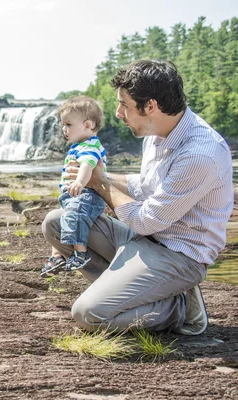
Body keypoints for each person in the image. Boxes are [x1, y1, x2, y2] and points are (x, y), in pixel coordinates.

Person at [42, 60, 233, 335]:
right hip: (145, 240)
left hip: (179, 256)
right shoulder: (155, 133)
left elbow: (146, 221)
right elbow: (145, 187)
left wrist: (101, 184)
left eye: (124, 105)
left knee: (89, 315)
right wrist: (98, 175)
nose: (118, 113)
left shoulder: (199, 154)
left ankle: (178, 307)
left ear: (150, 106)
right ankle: (137, 293)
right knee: (57, 223)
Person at [40, 96, 107, 278]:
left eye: (68, 124)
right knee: (63, 220)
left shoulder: (91, 145)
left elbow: (87, 165)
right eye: (63, 125)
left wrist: (79, 182)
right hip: (74, 194)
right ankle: (57, 256)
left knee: (75, 217)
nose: (64, 129)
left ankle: (80, 253)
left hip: (87, 195)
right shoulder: (79, 145)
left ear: (87, 125)